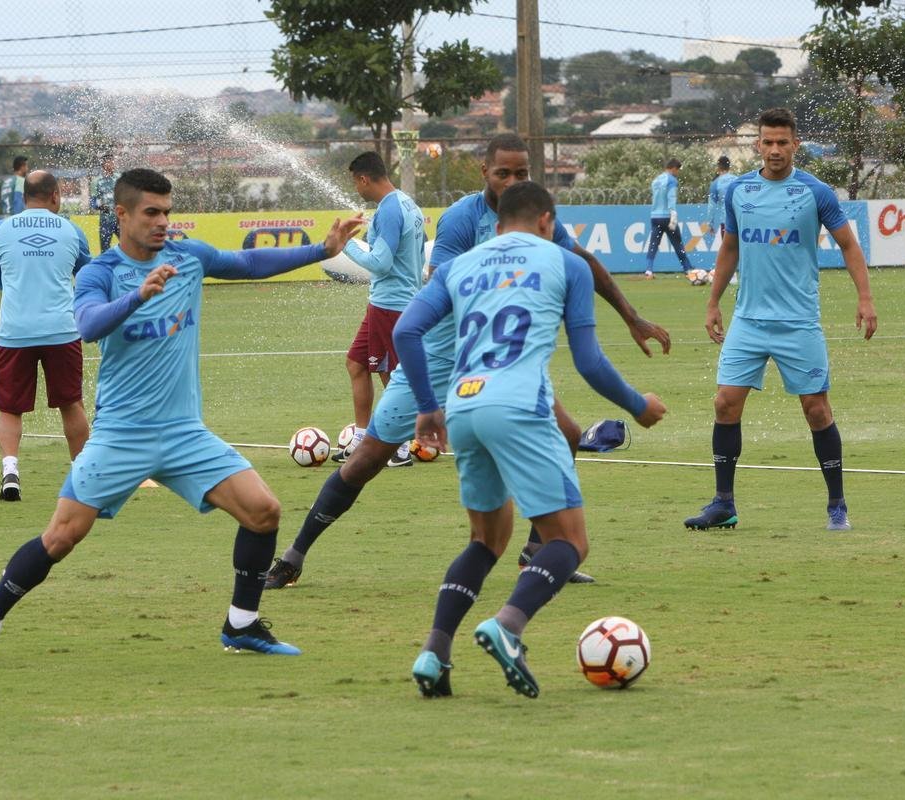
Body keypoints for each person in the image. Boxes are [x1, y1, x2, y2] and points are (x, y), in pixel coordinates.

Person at [0, 168, 363, 666]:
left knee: (264, 512)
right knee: (61, 536)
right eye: (151, 212)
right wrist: (137, 296)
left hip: (185, 433)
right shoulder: (100, 272)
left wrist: (321, 250)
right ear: (121, 215)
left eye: (168, 211)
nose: (163, 221)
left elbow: (250, 261)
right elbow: (86, 326)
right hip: (121, 436)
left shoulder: (188, 257)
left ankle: (241, 624)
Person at [263, 133, 670, 591]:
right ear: (485, 172)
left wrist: (632, 316)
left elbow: (584, 261)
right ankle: (294, 557)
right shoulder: (462, 219)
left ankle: (542, 553)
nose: (512, 180)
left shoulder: (537, 219)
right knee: (366, 460)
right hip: (440, 357)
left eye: (521, 173)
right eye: (503, 173)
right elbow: (442, 290)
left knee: (568, 435)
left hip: (496, 357)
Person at [393, 181, 668, 698]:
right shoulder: (567, 262)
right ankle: (509, 625)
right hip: (520, 405)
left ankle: (434, 651)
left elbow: (406, 331)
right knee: (569, 542)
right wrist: (638, 405)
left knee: (486, 540)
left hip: (464, 405)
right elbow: (588, 361)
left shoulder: (460, 264)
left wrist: (428, 405)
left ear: (498, 227)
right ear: (548, 221)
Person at [683, 107, 877, 533]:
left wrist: (865, 298)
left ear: (795, 145)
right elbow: (730, 249)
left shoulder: (816, 191)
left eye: (782, 142)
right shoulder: (739, 190)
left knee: (817, 410)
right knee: (724, 403)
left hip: (798, 323)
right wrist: (713, 301)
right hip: (747, 321)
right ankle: (723, 504)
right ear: (758, 146)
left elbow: (848, 244)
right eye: (767, 142)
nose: (774, 150)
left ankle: (837, 506)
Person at [0, 170, 92, 502]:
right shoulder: (72, 231)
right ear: (56, 196)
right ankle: (83, 477)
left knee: (9, 410)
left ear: (23, 198)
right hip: (62, 330)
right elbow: (87, 273)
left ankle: (10, 473)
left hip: (14, 331)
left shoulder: (0, 230)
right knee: (71, 404)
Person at [332, 151, 425, 468]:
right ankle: (360, 438)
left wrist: (345, 244)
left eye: (355, 183)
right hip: (389, 302)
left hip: (391, 303)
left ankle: (396, 447)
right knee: (356, 364)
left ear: (363, 179)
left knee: (391, 376)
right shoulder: (406, 203)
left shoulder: (389, 210)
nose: (355, 190)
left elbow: (381, 264)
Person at [643, 157, 694, 278]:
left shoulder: (656, 180)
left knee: (653, 244)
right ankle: (688, 269)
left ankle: (649, 269)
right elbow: (671, 198)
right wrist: (673, 214)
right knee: (677, 243)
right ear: (674, 168)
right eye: (678, 170)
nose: (678, 173)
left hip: (655, 216)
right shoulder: (671, 180)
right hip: (667, 216)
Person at [90, 152, 121, 253]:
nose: (112, 164)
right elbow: (93, 203)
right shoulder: (97, 181)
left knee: (129, 246)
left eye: (113, 162)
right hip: (105, 220)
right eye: (109, 162)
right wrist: (102, 207)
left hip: (120, 219)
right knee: (105, 249)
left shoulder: (119, 178)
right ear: (103, 164)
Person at [705, 155, 737, 248]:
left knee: (728, 250)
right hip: (739, 221)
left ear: (718, 167)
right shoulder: (737, 180)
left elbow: (712, 206)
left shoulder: (716, 183)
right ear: (729, 167)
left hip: (726, 222)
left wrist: (710, 223)